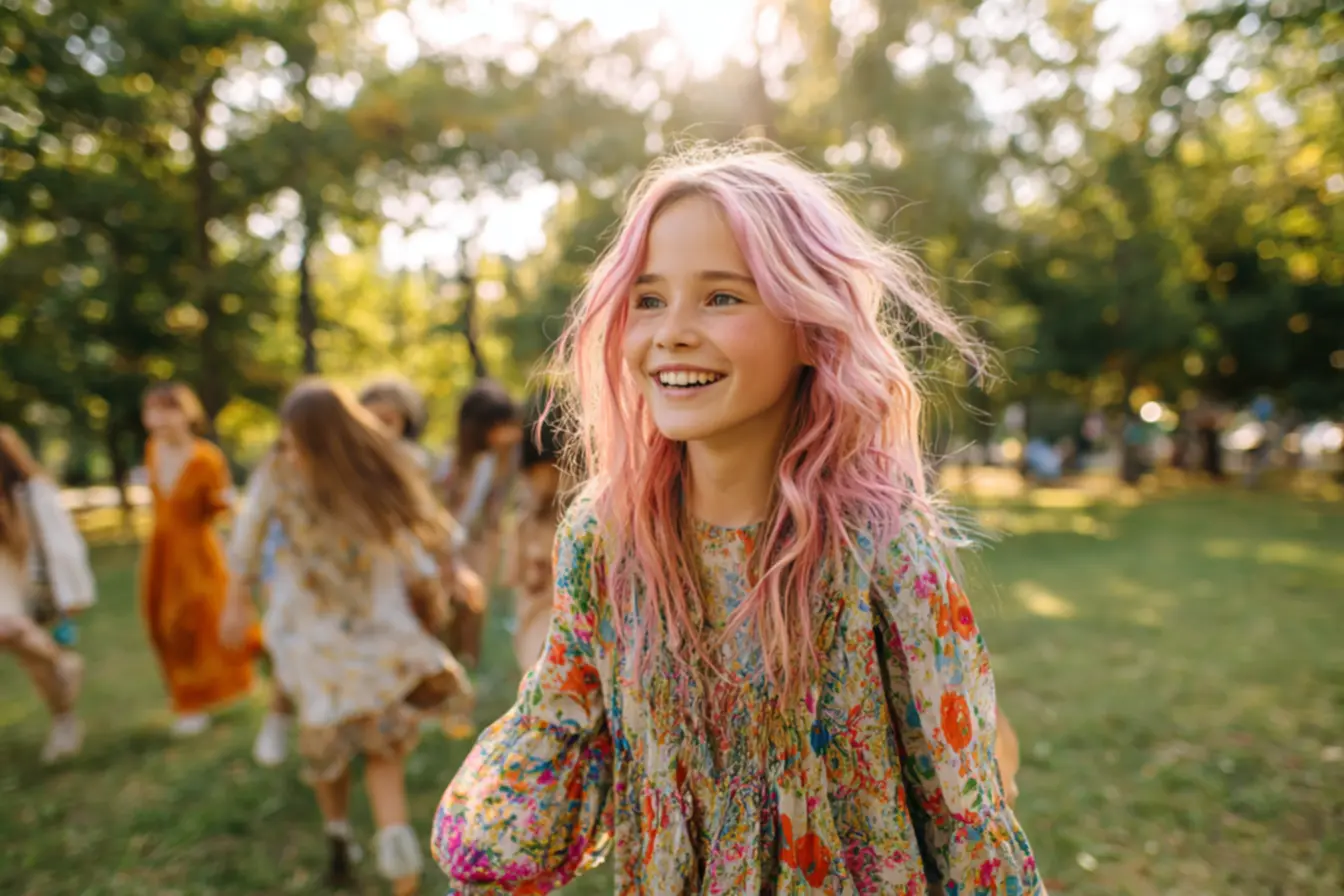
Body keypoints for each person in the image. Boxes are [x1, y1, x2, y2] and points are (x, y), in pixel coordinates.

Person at [431, 149, 1042, 893]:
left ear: (811, 327)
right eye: (649, 300)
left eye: (722, 297)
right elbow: (561, 715)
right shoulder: (608, 535)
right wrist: (494, 841)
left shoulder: (881, 546)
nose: (673, 332)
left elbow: (961, 803)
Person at [222, 379, 470, 896]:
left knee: (344, 751)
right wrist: (236, 600)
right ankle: (381, 855)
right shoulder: (347, 466)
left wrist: (448, 571)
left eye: (295, 438)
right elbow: (435, 532)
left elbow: (429, 525)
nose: (289, 448)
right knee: (368, 752)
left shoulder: (331, 468)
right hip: (347, 636)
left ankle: (361, 849)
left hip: (339, 638)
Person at [140, 382, 258, 736]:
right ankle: (186, 695)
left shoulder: (206, 458)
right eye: (153, 411)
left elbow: (224, 511)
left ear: (187, 413)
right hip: (162, 553)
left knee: (201, 623)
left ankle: (200, 698)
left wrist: (239, 551)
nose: (160, 419)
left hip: (198, 553)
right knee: (165, 625)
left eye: (168, 409)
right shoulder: (152, 450)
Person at [0, 426, 94, 764]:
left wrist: (71, 597)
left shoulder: (33, 492)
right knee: (33, 662)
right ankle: (62, 668)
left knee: (26, 650)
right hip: (4, 584)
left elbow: (63, 546)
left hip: (36, 583)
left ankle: (64, 720)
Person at [434, 379, 521, 666]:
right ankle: (446, 657)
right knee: (445, 600)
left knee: (475, 600)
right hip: (446, 538)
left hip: (478, 539)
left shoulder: (502, 460)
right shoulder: (450, 461)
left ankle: (471, 659)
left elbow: (496, 504)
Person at [500, 390, 568, 671]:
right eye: (537, 473)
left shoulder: (585, 525)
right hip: (536, 626)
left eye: (553, 470)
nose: (544, 481)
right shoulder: (524, 523)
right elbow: (513, 577)